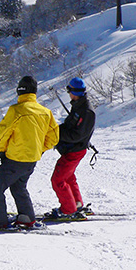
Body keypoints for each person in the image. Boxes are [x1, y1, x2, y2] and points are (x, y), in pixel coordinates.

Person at [0, 76, 59, 229]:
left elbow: (2, 134)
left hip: (14, 159)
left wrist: (2, 150)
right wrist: (38, 149)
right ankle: (26, 218)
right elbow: (53, 138)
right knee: (19, 187)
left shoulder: (16, 110)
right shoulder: (45, 112)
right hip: (31, 160)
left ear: (19, 91)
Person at [46, 77, 96, 219]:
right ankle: (77, 203)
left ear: (73, 92)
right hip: (73, 149)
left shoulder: (86, 111)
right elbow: (69, 126)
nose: (69, 95)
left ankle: (68, 210)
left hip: (75, 150)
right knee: (68, 177)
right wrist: (55, 129)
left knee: (58, 179)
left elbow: (77, 135)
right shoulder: (78, 106)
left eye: (69, 91)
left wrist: (57, 134)